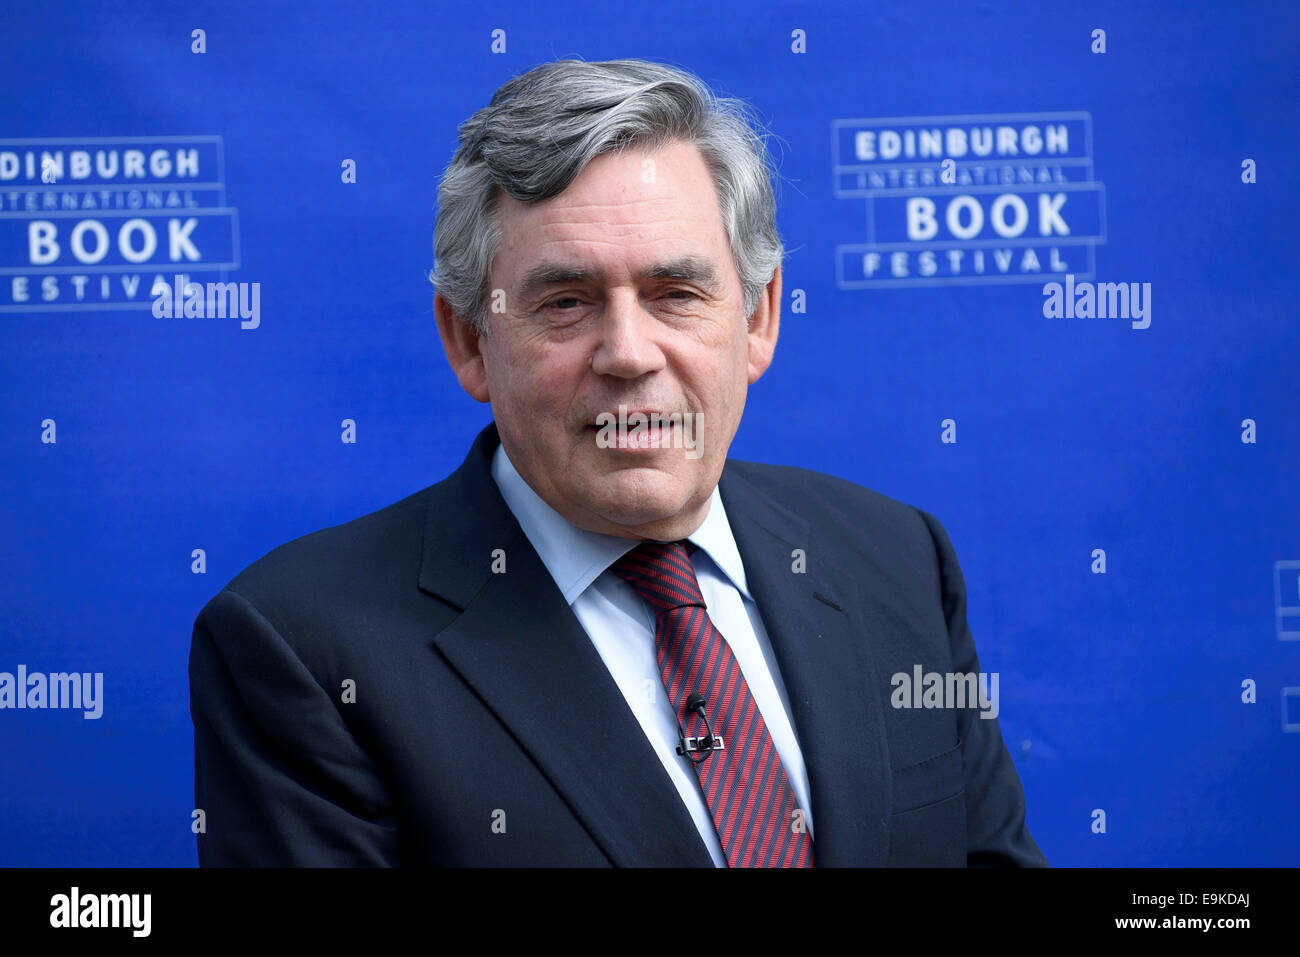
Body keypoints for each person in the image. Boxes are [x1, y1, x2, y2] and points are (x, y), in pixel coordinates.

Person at [189, 57, 1047, 867]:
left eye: (677, 294)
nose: (629, 352)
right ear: (469, 340)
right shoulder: (302, 645)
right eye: (566, 302)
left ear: (759, 319)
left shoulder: (896, 559)